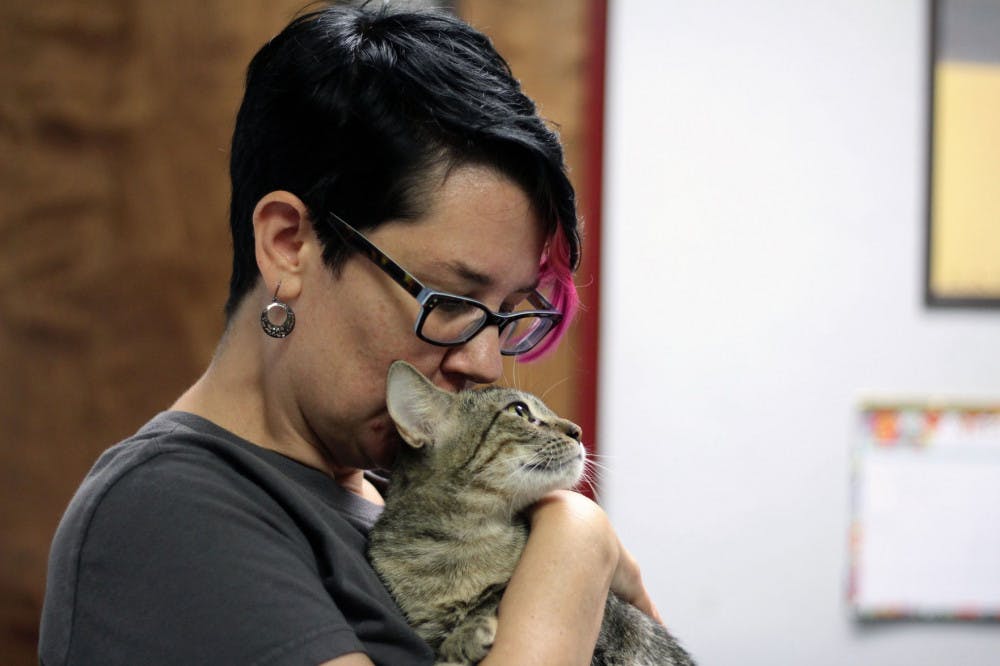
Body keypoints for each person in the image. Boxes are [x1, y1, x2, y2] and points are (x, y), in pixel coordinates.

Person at [39, 3, 661, 664]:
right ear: (288, 245)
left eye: (507, 313)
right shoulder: (166, 513)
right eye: (450, 299)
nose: (485, 363)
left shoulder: (404, 498)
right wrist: (577, 545)